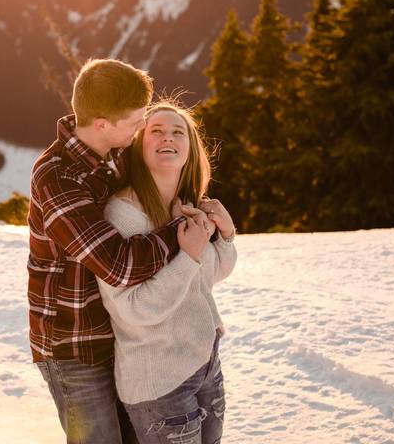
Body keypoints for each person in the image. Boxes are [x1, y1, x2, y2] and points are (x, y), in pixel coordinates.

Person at [28, 59, 200, 444]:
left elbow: (159, 188)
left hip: (121, 334)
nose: (143, 127)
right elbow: (118, 266)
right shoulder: (57, 177)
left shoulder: (116, 151)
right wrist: (180, 233)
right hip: (75, 345)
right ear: (102, 124)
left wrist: (201, 213)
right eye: (137, 120)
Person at [97, 98, 237, 444]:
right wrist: (187, 257)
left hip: (204, 364)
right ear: (139, 146)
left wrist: (227, 235)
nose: (168, 138)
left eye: (178, 132)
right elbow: (133, 310)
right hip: (159, 382)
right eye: (155, 131)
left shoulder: (186, 205)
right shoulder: (124, 216)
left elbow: (208, 276)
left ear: (191, 149)